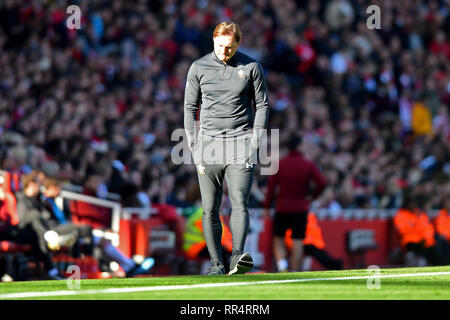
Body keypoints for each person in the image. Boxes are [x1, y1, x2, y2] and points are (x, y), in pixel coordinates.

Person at [184, 21, 269, 275]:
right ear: (213, 41)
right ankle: (215, 264)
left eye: (229, 47)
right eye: (220, 46)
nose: (224, 51)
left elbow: (262, 105)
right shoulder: (198, 67)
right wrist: (193, 146)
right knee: (210, 208)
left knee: (239, 202)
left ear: (238, 44)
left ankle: (236, 257)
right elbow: (190, 108)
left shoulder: (251, 67)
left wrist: (254, 143)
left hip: (240, 142)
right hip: (208, 145)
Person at [41, 176, 155, 277]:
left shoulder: (60, 202)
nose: (59, 190)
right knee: (98, 238)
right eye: (57, 187)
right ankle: (128, 265)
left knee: (101, 238)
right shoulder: (50, 202)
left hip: (79, 231)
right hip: (67, 232)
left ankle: (127, 265)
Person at [262, 134, 327, 272]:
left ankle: (282, 267)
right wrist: (311, 196)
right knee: (297, 239)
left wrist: (267, 206)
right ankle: (296, 270)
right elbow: (322, 183)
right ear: (298, 146)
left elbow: (271, 188)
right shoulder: (307, 164)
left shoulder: (281, 164)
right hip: (300, 207)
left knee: (278, 238)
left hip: (282, 207)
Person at [393, 189, 443, 266]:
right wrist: (417, 229)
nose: (414, 206)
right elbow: (403, 231)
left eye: (415, 204)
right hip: (410, 242)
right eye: (412, 203)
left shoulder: (419, 214)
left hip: (424, 241)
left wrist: (417, 229)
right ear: (407, 203)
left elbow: (428, 228)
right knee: (425, 251)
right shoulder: (401, 215)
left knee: (438, 253)